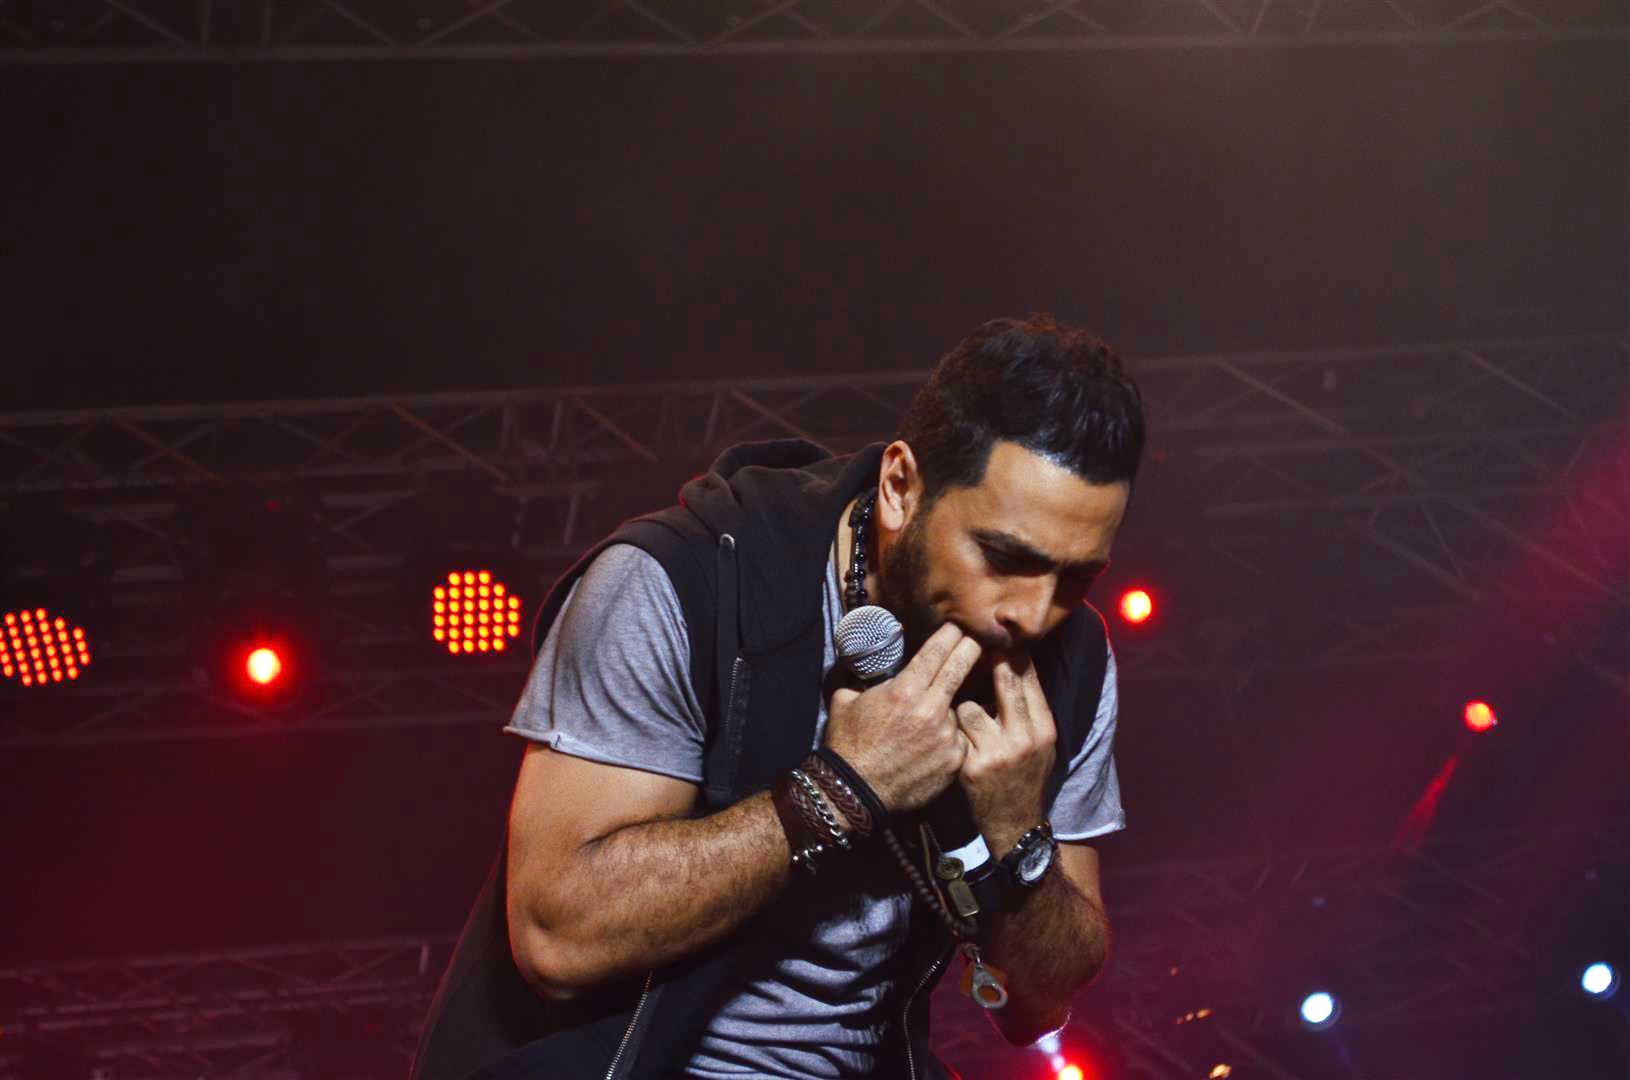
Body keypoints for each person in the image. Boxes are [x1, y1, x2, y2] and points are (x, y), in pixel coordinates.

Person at [409, 314, 1146, 1080]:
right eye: (1002, 556)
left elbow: (1039, 1006)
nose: (1033, 613)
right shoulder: (681, 582)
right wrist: (841, 790)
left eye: (1076, 577)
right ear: (901, 488)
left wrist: (1017, 833)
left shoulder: (1070, 660)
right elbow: (556, 938)